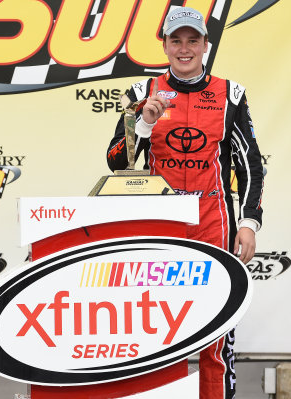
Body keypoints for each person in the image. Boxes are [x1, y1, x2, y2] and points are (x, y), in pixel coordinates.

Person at [106, 6, 264, 399]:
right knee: (157, 323)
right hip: (161, 221)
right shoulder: (142, 93)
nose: (184, 48)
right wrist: (142, 123)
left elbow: (251, 165)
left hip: (214, 220)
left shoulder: (231, 94)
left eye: (193, 39)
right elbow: (115, 161)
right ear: (164, 45)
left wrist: (249, 222)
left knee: (216, 329)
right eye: (176, 40)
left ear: (206, 45)